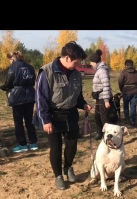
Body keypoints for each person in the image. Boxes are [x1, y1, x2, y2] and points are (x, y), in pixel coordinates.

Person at [32, 41, 92, 190]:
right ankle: (58, 175)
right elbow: (40, 99)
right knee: (56, 147)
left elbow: (77, 95)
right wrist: (45, 120)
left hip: (71, 114)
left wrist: (83, 104)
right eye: (76, 62)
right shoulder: (46, 72)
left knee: (72, 145)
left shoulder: (76, 74)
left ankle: (69, 167)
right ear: (66, 58)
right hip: (52, 116)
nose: (77, 66)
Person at [0, 51, 38, 153]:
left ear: (12, 58)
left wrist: (3, 87)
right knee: (29, 120)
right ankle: (33, 143)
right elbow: (33, 80)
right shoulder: (30, 67)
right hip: (30, 95)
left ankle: (22, 144)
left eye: (10, 60)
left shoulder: (13, 67)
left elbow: (9, 82)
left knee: (18, 122)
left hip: (17, 97)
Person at [89, 49, 113, 140]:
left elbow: (106, 85)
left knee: (104, 118)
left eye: (91, 62)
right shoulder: (99, 70)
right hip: (99, 97)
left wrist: (106, 100)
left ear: (95, 62)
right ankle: (100, 133)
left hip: (104, 98)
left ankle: (110, 136)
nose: (90, 64)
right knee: (97, 116)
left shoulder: (102, 71)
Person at [118, 59, 137, 127]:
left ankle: (127, 119)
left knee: (126, 106)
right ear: (132, 64)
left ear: (126, 65)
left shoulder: (123, 72)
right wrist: (135, 87)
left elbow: (120, 82)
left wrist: (122, 90)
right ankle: (133, 121)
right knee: (133, 107)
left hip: (126, 91)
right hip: (135, 92)